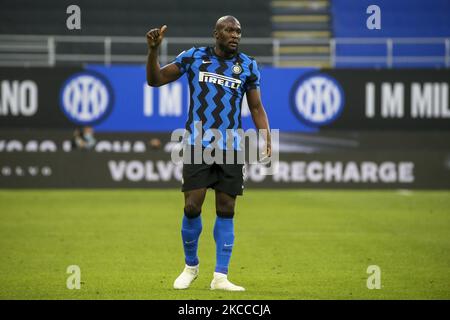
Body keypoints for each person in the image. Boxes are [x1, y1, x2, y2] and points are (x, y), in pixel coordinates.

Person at [146, 16, 271, 291]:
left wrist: (266, 137)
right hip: (197, 143)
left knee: (226, 209)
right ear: (216, 33)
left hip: (232, 146)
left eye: (238, 30)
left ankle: (220, 277)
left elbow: (257, 107)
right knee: (192, 205)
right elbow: (155, 80)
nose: (235, 34)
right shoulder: (194, 57)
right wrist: (154, 51)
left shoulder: (248, 66)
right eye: (229, 30)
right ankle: (191, 267)